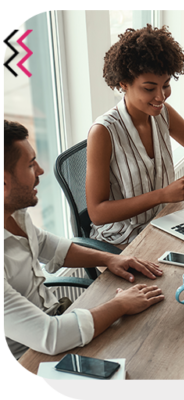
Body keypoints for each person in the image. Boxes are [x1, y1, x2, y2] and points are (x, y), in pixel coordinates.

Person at [3, 120, 164, 360]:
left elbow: (47, 245)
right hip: (30, 357)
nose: (40, 171)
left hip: (54, 324)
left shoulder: (14, 212)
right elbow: (50, 336)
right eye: (29, 165)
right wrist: (121, 304)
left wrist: (110, 258)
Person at [87, 24, 184, 246]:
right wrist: (163, 195)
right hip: (123, 238)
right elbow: (97, 213)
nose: (161, 97)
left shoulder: (163, 114)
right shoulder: (104, 132)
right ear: (124, 84)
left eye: (166, 85)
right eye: (149, 88)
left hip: (163, 222)